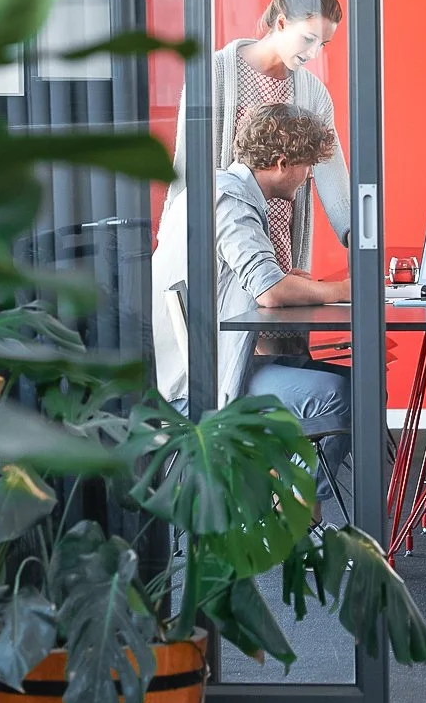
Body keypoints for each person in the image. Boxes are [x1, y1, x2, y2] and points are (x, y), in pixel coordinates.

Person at [151, 103, 352, 495]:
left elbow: (246, 279)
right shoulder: (229, 200)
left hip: (205, 365)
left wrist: (281, 281)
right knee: (346, 396)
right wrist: (344, 292)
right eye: (307, 165)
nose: (309, 175)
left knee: (354, 382)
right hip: (198, 387)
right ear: (281, 163)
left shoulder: (211, 188)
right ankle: (293, 510)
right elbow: (270, 292)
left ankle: (282, 498)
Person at [162, 0, 351, 275]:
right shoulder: (215, 75)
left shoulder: (313, 93)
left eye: (323, 44)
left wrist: (358, 239)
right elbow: (187, 169)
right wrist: (175, 246)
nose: (315, 53)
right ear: (280, 22)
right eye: (308, 39)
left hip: (281, 249)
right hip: (223, 246)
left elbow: (332, 177)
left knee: (276, 304)